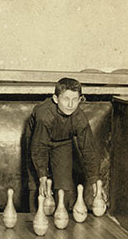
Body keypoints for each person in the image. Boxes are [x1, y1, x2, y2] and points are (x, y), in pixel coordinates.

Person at [23, 77, 99, 212]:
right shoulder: (44, 116)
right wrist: (42, 177)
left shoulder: (80, 119)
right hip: (36, 141)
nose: (70, 104)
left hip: (63, 142)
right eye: (66, 99)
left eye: (75, 99)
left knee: (64, 185)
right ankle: (35, 218)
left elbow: (88, 150)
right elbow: (39, 148)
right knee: (37, 186)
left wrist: (94, 180)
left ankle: (60, 218)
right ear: (56, 99)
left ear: (80, 99)